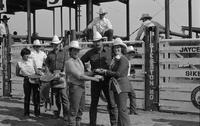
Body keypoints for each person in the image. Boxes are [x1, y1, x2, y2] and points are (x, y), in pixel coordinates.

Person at [81, 31, 118, 126]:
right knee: (94, 104)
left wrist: (113, 71)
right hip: (96, 80)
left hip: (108, 80)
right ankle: (92, 124)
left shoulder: (110, 51)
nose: (97, 43)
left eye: (98, 41)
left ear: (102, 41)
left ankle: (114, 124)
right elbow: (80, 62)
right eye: (95, 41)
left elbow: (119, 59)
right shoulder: (90, 53)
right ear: (93, 42)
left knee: (111, 103)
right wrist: (90, 72)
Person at [94, 38, 131, 126]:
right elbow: (114, 73)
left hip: (121, 86)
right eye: (115, 47)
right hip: (117, 86)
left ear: (122, 48)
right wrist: (104, 71)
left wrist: (105, 72)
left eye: (118, 47)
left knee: (122, 110)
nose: (116, 49)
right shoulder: (116, 59)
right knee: (120, 109)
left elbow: (118, 73)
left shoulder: (123, 59)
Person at [65, 40, 100, 126]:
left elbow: (83, 73)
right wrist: (93, 78)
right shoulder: (69, 62)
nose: (76, 52)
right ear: (70, 51)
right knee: (74, 110)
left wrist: (94, 72)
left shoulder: (79, 61)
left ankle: (77, 123)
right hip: (75, 86)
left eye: (77, 50)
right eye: (74, 50)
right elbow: (79, 76)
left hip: (81, 86)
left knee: (80, 108)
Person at [45, 35, 69, 120]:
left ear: (59, 44)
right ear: (53, 45)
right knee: (55, 97)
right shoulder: (50, 54)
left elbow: (66, 63)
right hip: (53, 76)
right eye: (54, 44)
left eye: (57, 44)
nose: (55, 46)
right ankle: (56, 113)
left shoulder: (64, 53)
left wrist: (64, 72)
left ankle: (66, 114)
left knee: (64, 97)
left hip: (62, 75)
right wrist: (48, 72)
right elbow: (47, 64)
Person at [16, 48, 41, 117]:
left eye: (28, 55)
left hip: (34, 79)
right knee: (27, 97)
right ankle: (26, 113)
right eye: (27, 55)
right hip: (26, 80)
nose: (28, 56)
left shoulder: (32, 60)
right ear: (23, 55)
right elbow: (17, 73)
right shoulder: (19, 63)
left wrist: (40, 73)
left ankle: (37, 113)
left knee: (36, 96)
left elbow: (36, 70)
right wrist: (25, 76)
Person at [126, 46, 138, 115]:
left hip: (125, 79)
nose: (132, 55)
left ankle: (133, 110)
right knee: (132, 95)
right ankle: (132, 111)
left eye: (133, 54)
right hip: (124, 80)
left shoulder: (128, 61)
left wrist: (130, 74)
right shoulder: (126, 61)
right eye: (131, 53)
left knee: (131, 95)